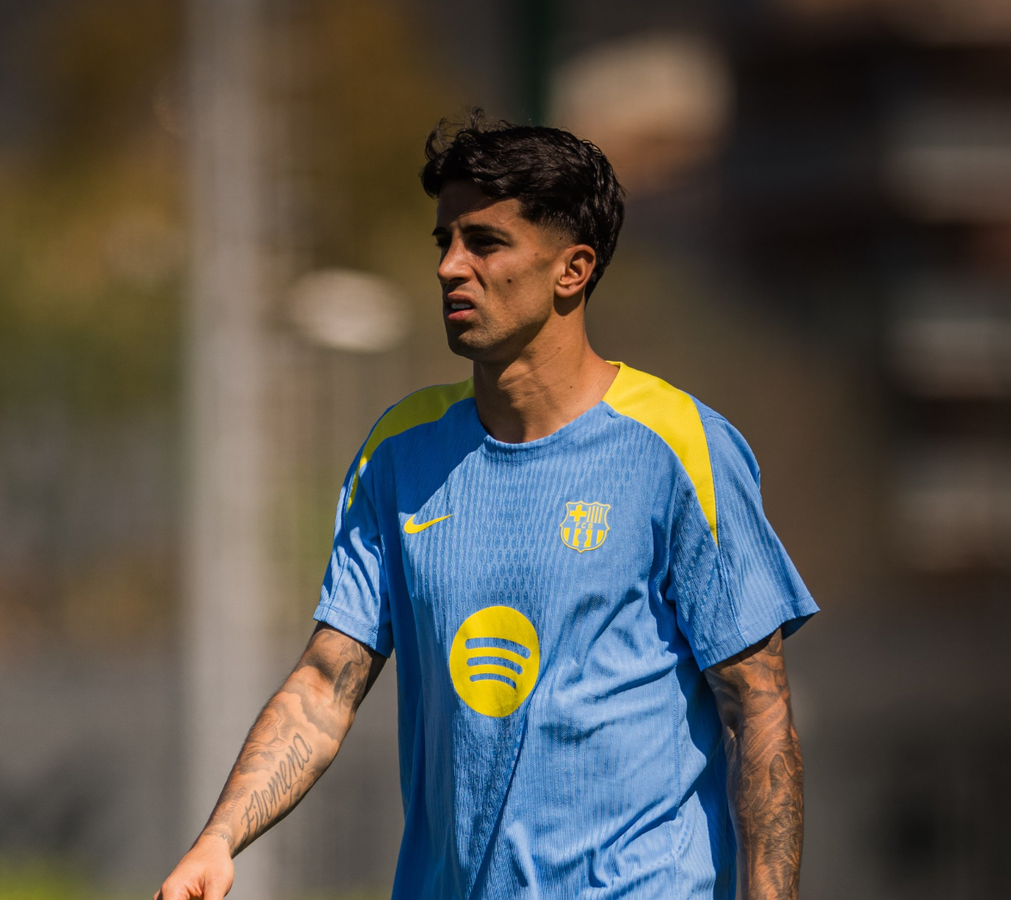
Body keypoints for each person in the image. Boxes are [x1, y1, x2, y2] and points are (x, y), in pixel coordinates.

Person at [154, 111, 818, 900]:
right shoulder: (399, 451)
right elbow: (326, 684)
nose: (449, 268)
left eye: (486, 242)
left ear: (572, 270)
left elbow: (758, 711)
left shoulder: (681, 447)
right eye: (445, 241)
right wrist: (218, 839)